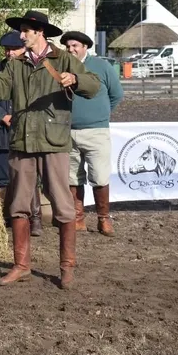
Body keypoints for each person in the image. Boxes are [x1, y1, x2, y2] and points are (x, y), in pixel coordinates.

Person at [0, 10, 101, 290]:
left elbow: (93, 86)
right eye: (21, 31)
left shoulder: (64, 59)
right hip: (22, 141)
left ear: (39, 32)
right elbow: (1, 91)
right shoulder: (14, 64)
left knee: (63, 206)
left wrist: (75, 79)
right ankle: (21, 266)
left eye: (25, 30)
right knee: (18, 205)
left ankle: (67, 268)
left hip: (54, 141)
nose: (21, 35)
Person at [0, 30, 46, 234]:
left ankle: (35, 219)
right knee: (1, 179)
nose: (10, 53)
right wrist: (4, 117)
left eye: (14, 49)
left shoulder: (32, 70)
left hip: (26, 134)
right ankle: (4, 218)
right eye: (7, 50)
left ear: (24, 48)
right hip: (0, 134)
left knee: (28, 179)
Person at [61, 30, 124, 237]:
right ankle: (78, 218)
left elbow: (116, 95)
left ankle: (103, 218)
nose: (71, 50)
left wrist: (100, 114)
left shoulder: (101, 66)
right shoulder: (60, 67)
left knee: (99, 175)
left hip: (96, 130)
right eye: (68, 46)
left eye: (75, 46)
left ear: (85, 47)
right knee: (73, 176)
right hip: (68, 131)